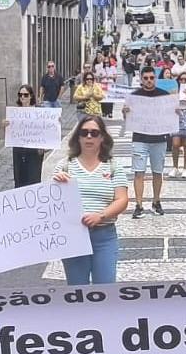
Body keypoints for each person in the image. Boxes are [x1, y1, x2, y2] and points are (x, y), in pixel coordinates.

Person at [53, 116, 130, 285]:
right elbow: (51, 204)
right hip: (74, 237)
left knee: (105, 288)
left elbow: (122, 199)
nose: (89, 137)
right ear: (77, 137)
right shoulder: (64, 166)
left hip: (104, 236)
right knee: (77, 289)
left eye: (94, 133)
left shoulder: (113, 166)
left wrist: (100, 216)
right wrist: (55, 184)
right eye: (84, 133)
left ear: (102, 137)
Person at [123, 67, 172, 218]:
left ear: (155, 79)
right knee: (139, 172)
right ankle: (138, 205)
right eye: (146, 78)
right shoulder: (135, 96)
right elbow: (128, 118)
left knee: (158, 172)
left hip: (159, 139)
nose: (149, 80)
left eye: (151, 78)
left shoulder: (163, 95)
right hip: (140, 138)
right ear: (141, 79)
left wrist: (174, 112)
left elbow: (170, 115)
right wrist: (125, 112)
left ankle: (156, 201)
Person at [7, 85, 45, 188]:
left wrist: (56, 122)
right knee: (19, 178)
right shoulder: (15, 112)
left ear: (31, 96)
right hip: (19, 150)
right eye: (20, 95)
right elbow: (10, 130)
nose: (22, 97)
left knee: (33, 177)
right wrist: (5, 124)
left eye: (25, 95)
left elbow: (47, 128)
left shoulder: (39, 111)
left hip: (34, 150)